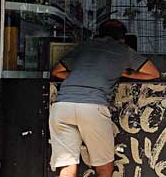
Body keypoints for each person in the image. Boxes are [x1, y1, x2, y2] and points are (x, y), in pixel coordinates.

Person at [48, 20, 160, 177]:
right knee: (104, 167)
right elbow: (153, 73)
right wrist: (123, 73)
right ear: (123, 37)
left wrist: (85, 75)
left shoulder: (85, 46)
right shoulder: (124, 50)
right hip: (92, 107)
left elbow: (57, 72)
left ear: (99, 33)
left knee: (67, 165)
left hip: (62, 106)